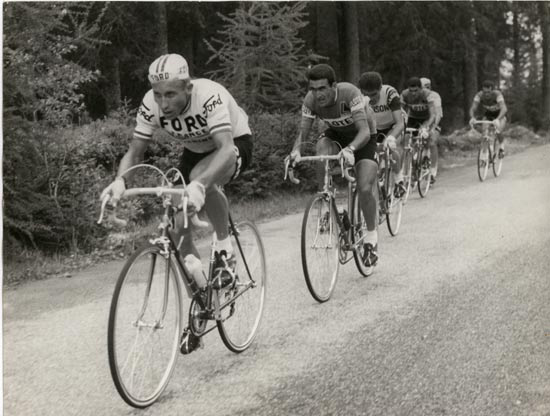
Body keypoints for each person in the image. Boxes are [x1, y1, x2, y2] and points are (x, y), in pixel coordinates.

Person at [100, 53, 253, 353]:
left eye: (170, 94)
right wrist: (120, 181)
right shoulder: (150, 104)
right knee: (175, 217)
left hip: (234, 144)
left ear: (188, 88)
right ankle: (201, 304)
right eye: (158, 95)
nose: (163, 103)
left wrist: (199, 185)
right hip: (195, 151)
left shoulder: (208, 96)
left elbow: (225, 148)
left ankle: (224, 247)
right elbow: (134, 153)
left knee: (199, 179)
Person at [289, 64, 378, 273]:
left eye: (322, 89)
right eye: (313, 89)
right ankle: (327, 201)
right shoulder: (310, 101)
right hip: (336, 134)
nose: (317, 94)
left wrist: (351, 149)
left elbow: (364, 131)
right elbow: (303, 134)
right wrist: (295, 153)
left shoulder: (349, 93)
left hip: (364, 137)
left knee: (364, 187)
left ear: (334, 86)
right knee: (321, 150)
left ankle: (371, 239)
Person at [358, 71, 406, 196]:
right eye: (366, 94)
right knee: (373, 152)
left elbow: (399, 123)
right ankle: (379, 180)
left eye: (374, 94)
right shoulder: (358, 96)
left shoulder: (390, 93)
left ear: (380, 88)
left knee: (389, 146)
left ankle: (399, 181)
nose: (370, 98)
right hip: (374, 127)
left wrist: (390, 138)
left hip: (393, 125)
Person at [400, 76, 438, 184]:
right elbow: (400, 110)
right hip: (413, 118)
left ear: (421, 89)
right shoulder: (404, 94)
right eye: (411, 90)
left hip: (426, 119)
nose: (413, 93)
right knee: (406, 138)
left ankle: (426, 156)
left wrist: (426, 126)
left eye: (416, 90)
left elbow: (433, 115)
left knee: (426, 136)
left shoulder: (427, 94)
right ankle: (408, 168)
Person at [469, 80, 507, 158]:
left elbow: (504, 109)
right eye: (484, 92)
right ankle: (485, 154)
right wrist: (472, 118)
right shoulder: (479, 95)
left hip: (500, 115)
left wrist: (498, 119)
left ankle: (502, 147)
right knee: (484, 132)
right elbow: (473, 108)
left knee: (498, 131)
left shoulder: (497, 94)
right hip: (489, 115)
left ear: (492, 90)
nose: (486, 94)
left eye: (488, 92)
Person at [420, 77, 442, 183]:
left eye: (425, 87)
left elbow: (437, 114)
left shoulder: (434, 95)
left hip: (433, 121)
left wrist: (433, 127)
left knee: (432, 141)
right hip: (420, 122)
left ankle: (433, 171)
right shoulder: (415, 95)